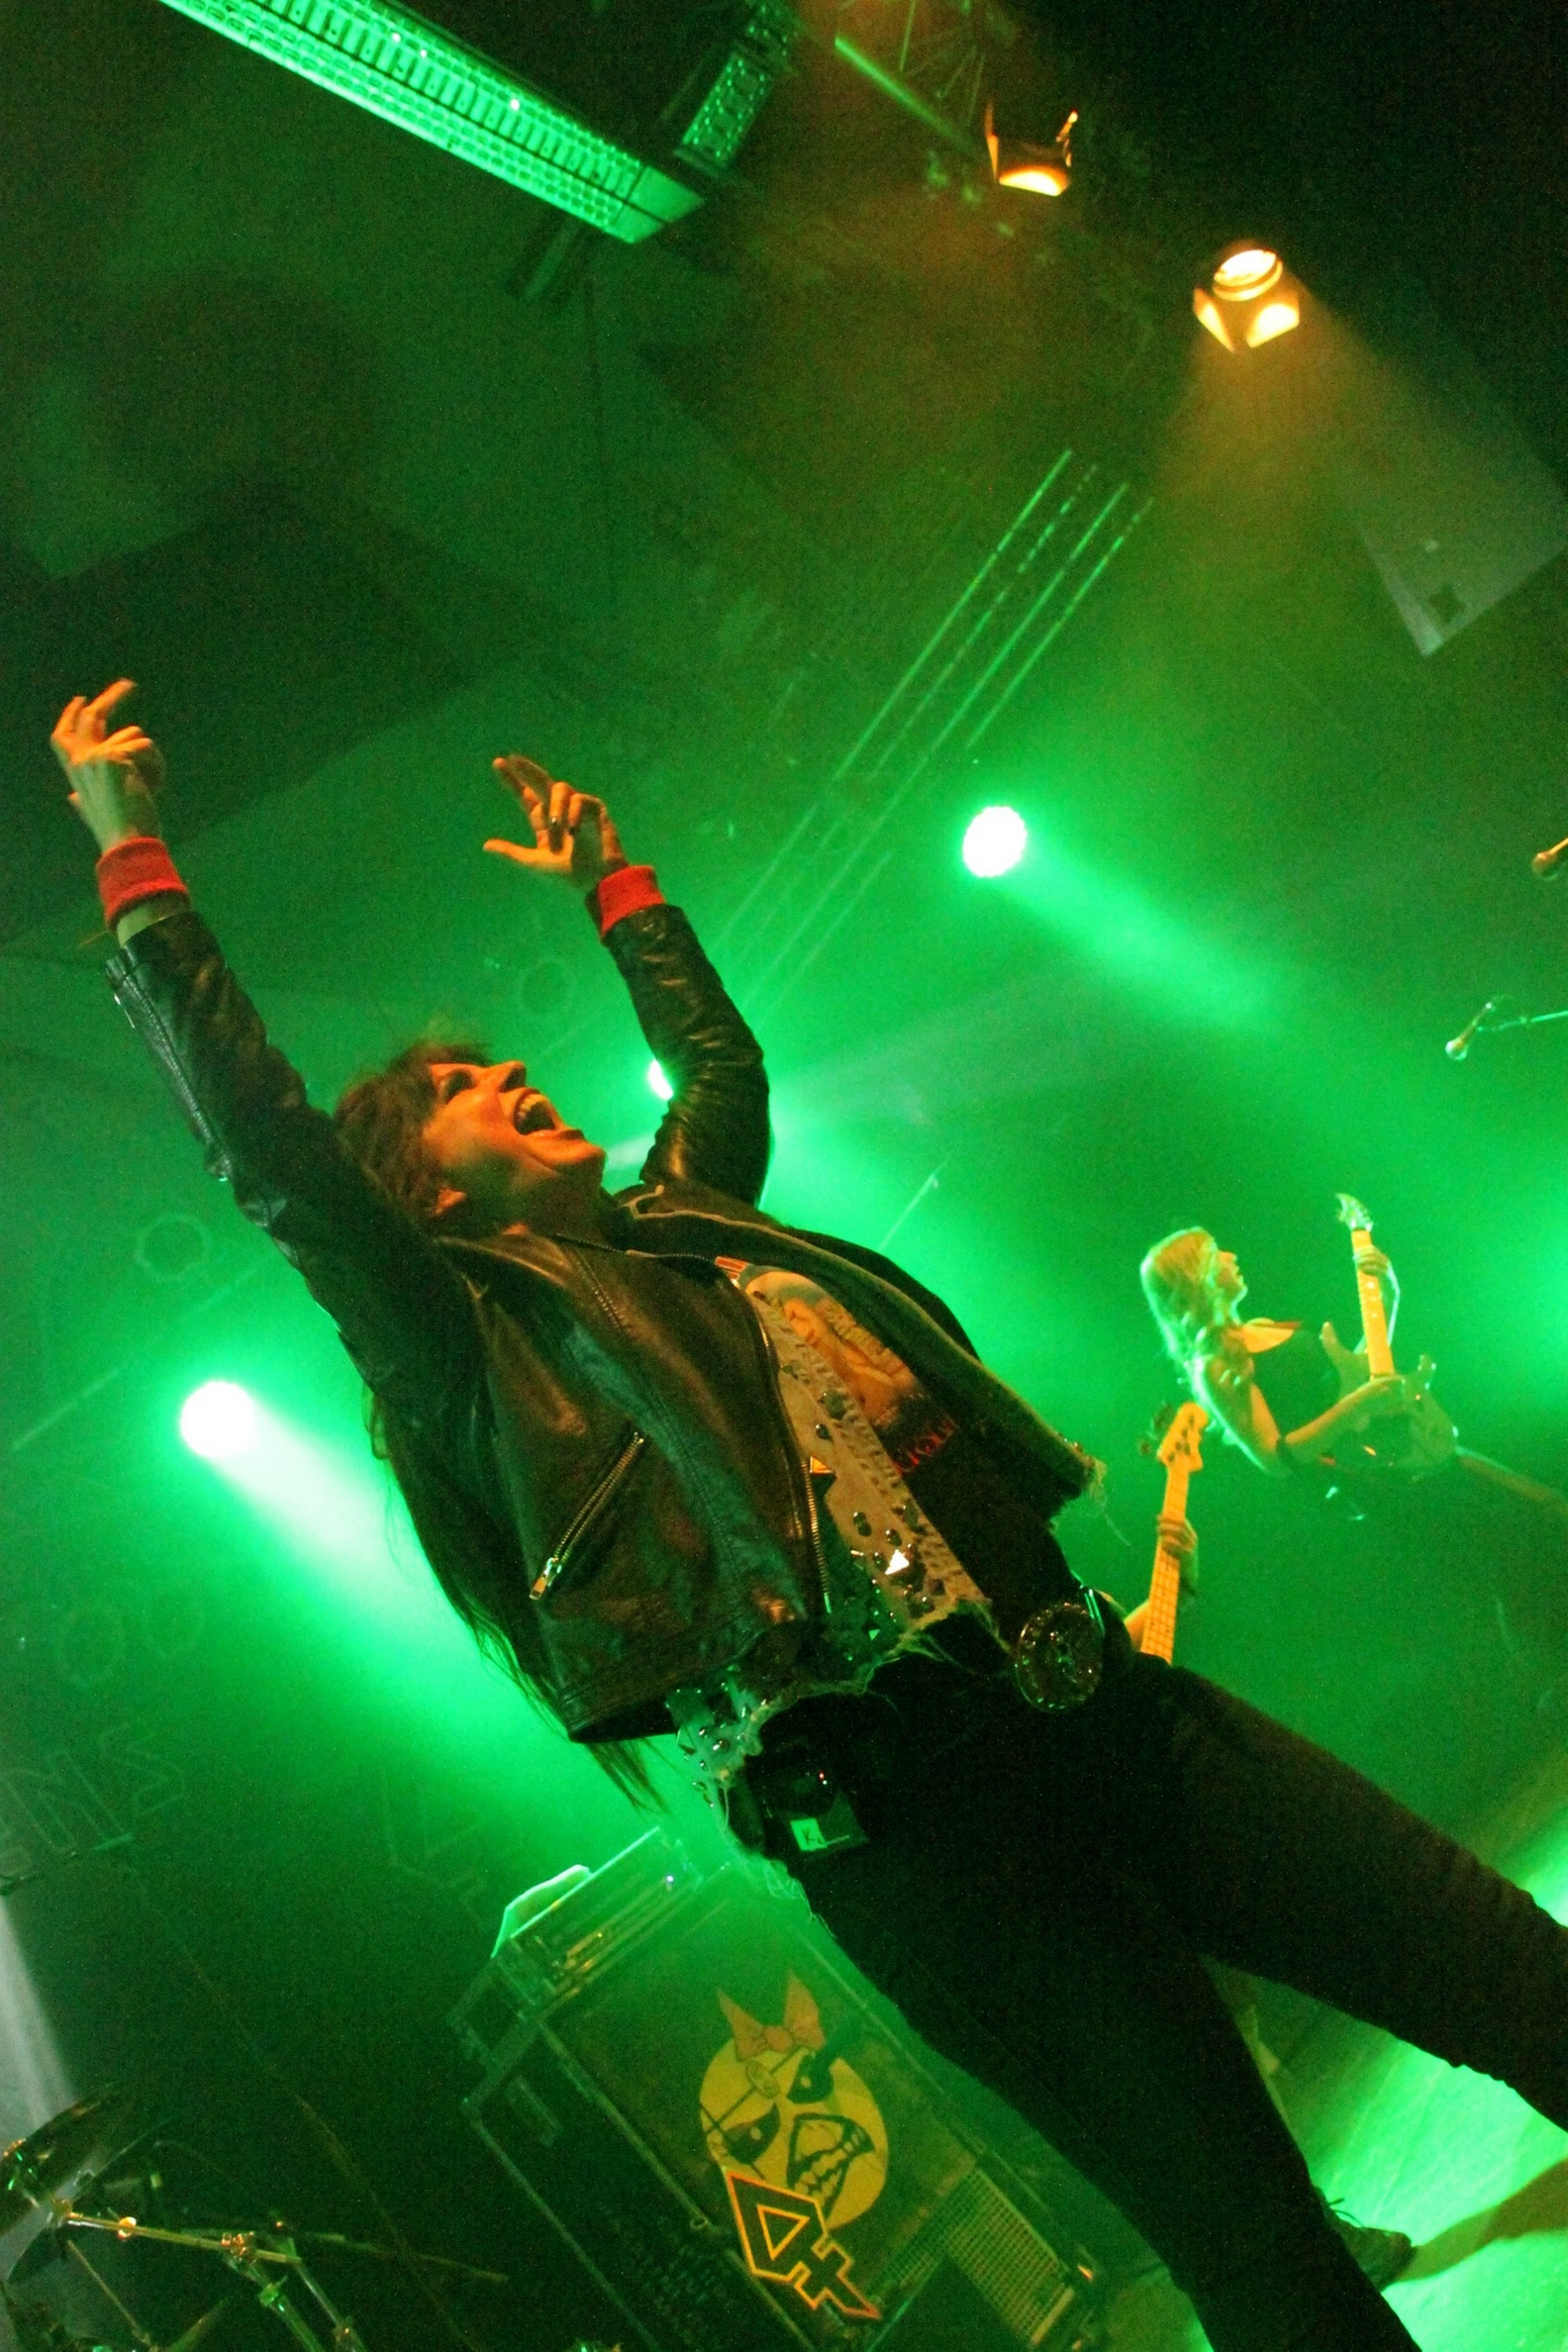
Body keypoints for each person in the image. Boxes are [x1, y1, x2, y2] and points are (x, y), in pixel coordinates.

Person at [55, 680, 1568, 2352]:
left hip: (1101, 1707)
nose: (516, 1074)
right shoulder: (465, 1350)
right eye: (472, 1088)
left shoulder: (691, 1218)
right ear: (423, 1193)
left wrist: (616, 887)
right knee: (1265, 2254)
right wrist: (135, 858)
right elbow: (274, 1158)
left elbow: (719, 1062)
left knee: (1505, 1966)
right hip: (930, 1844)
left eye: (502, 1058)